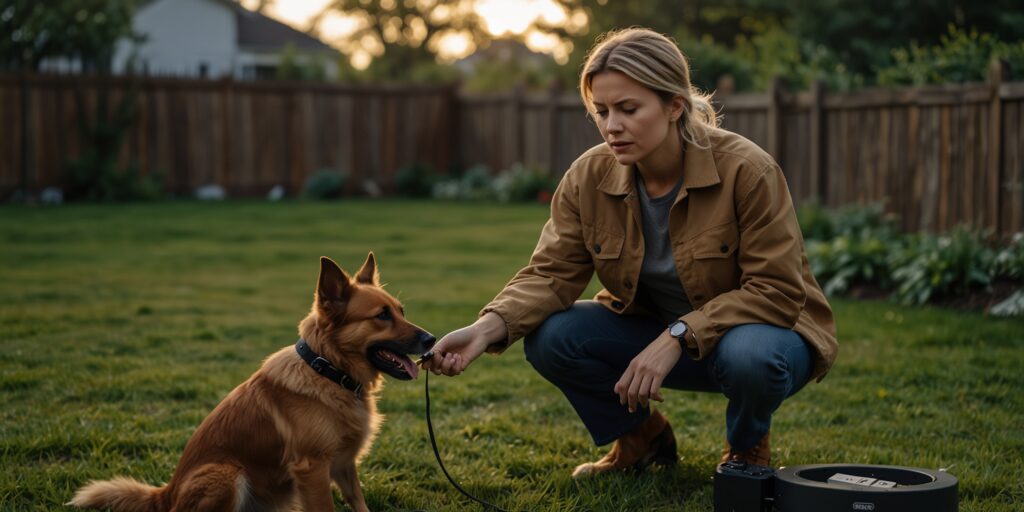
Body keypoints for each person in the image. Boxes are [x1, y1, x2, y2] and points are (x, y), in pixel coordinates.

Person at [422, 27, 837, 477]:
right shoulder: (589, 176)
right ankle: (641, 438)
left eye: (628, 108)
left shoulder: (747, 170)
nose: (611, 125)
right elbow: (550, 274)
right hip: (657, 336)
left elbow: (775, 291)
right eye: (600, 111)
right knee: (552, 336)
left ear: (674, 104)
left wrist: (679, 334)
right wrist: (486, 329)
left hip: (763, 339)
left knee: (750, 356)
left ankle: (746, 447)